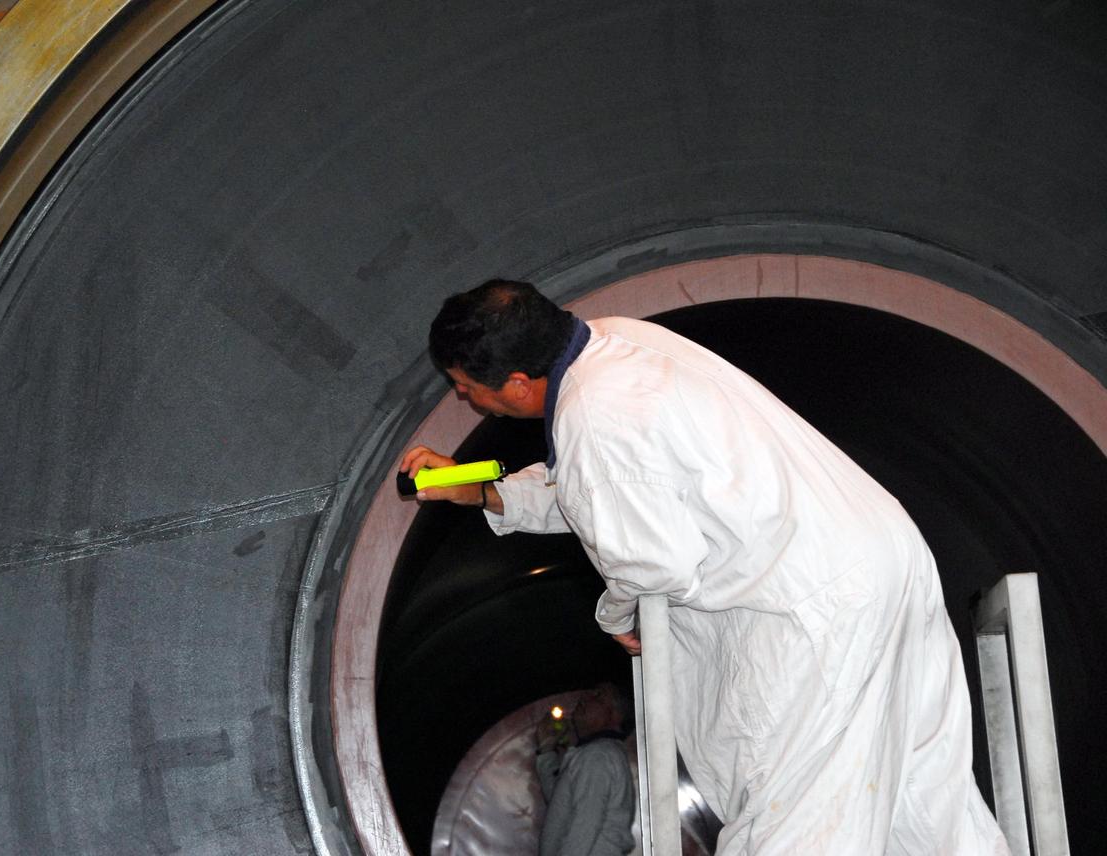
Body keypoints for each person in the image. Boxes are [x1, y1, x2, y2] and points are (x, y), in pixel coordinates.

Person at [401, 280, 1009, 855]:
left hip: (809, 607)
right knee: (928, 807)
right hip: (881, 560)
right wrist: (482, 492)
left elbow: (652, 563)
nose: (464, 400)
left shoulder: (594, 413)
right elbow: (605, 488)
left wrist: (615, 613)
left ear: (513, 384)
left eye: (464, 387)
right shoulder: (617, 344)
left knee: (796, 820)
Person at [533, 684, 636, 856]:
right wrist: (547, 749)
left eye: (598, 696)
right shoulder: (599, 753)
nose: (585, 698)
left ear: (614, 715)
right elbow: (562, 808)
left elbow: (584, 825)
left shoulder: (598, 755)